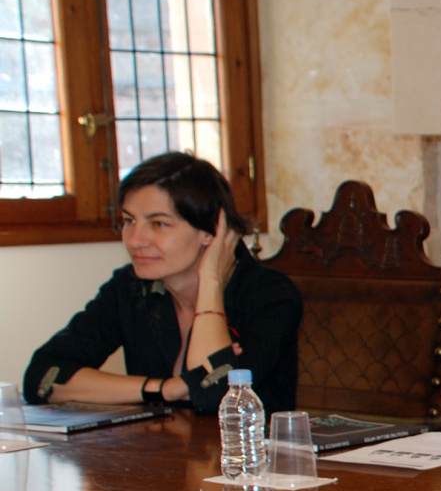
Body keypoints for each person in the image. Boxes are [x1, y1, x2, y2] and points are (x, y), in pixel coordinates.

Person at [25, 152, 302, 415]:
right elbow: (42, 377)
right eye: (129, 220)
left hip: (247, 461)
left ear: (210, 230)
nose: (134, 240)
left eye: (158, 224)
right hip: (158, 456)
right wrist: (163, 388)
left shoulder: (270, 295)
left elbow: (215, 397)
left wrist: (210, 282)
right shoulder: (131, 288)